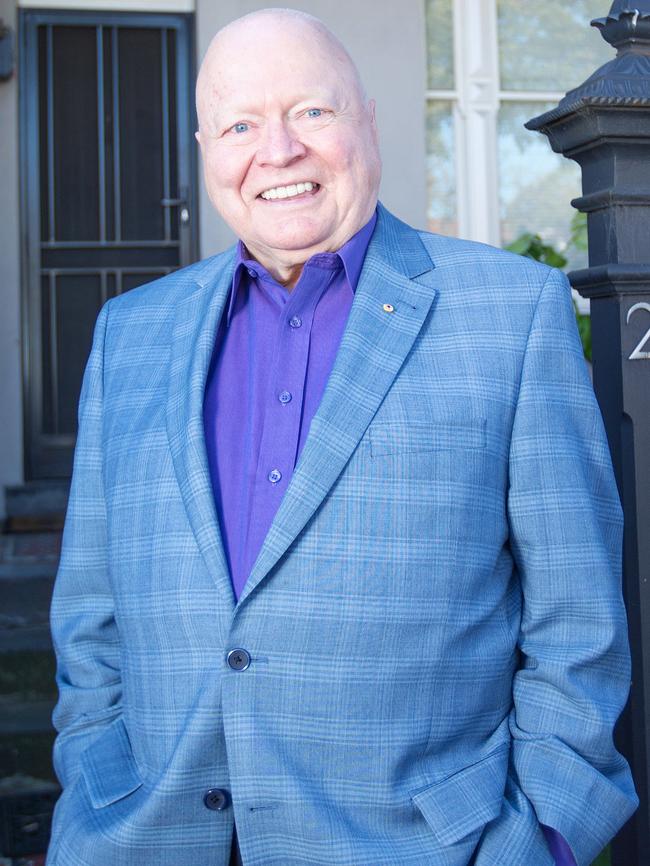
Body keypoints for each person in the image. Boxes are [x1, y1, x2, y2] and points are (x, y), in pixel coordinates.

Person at [46, 8, 637, 866]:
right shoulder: (130, 335)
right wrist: (95, 783)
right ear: (206, 146)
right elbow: (87, 619)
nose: (276, 150)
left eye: (311, 112)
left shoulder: (509, 315)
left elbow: (578, 623)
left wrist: (536, 838)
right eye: (240, 124)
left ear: (366, 119)